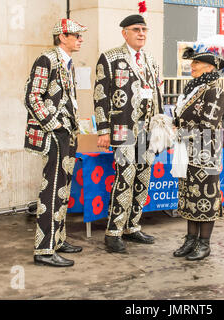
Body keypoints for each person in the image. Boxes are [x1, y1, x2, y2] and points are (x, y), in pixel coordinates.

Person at [93, 14, 163, 253]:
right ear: (125, 33)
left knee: (143, 179)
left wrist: (161, 126)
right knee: (125, 178)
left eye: (144, 29)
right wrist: (103, 130)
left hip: (147, 131)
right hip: (123, 130)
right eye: (136, 29)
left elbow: (157, 96)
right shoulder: (110, 57)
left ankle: (132, 227)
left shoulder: (151, 59)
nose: (141, 33)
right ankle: (113, 232)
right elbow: (100, 96)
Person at [172, 35, 224, 261]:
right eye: (191, 63)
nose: (191, 67)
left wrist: (179, 131)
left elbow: (208, 125)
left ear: (209, 67)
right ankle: (190, 240)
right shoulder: (193, 88)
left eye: (196, 63)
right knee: (190, 194)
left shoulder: (214, 90)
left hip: (205, 153)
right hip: (188, 149)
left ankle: (204, 243)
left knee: (205, 196)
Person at [24, 19, 87, 267]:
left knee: (63, 190)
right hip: (54, 135)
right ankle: (44, 250)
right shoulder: (46, 59)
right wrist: (54, 124)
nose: (81, 39)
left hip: (67, 133)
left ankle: (58, 240)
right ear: (62, 37)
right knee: (51, 191)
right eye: (76, 35)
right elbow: (32, 96)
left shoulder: (66, 62)